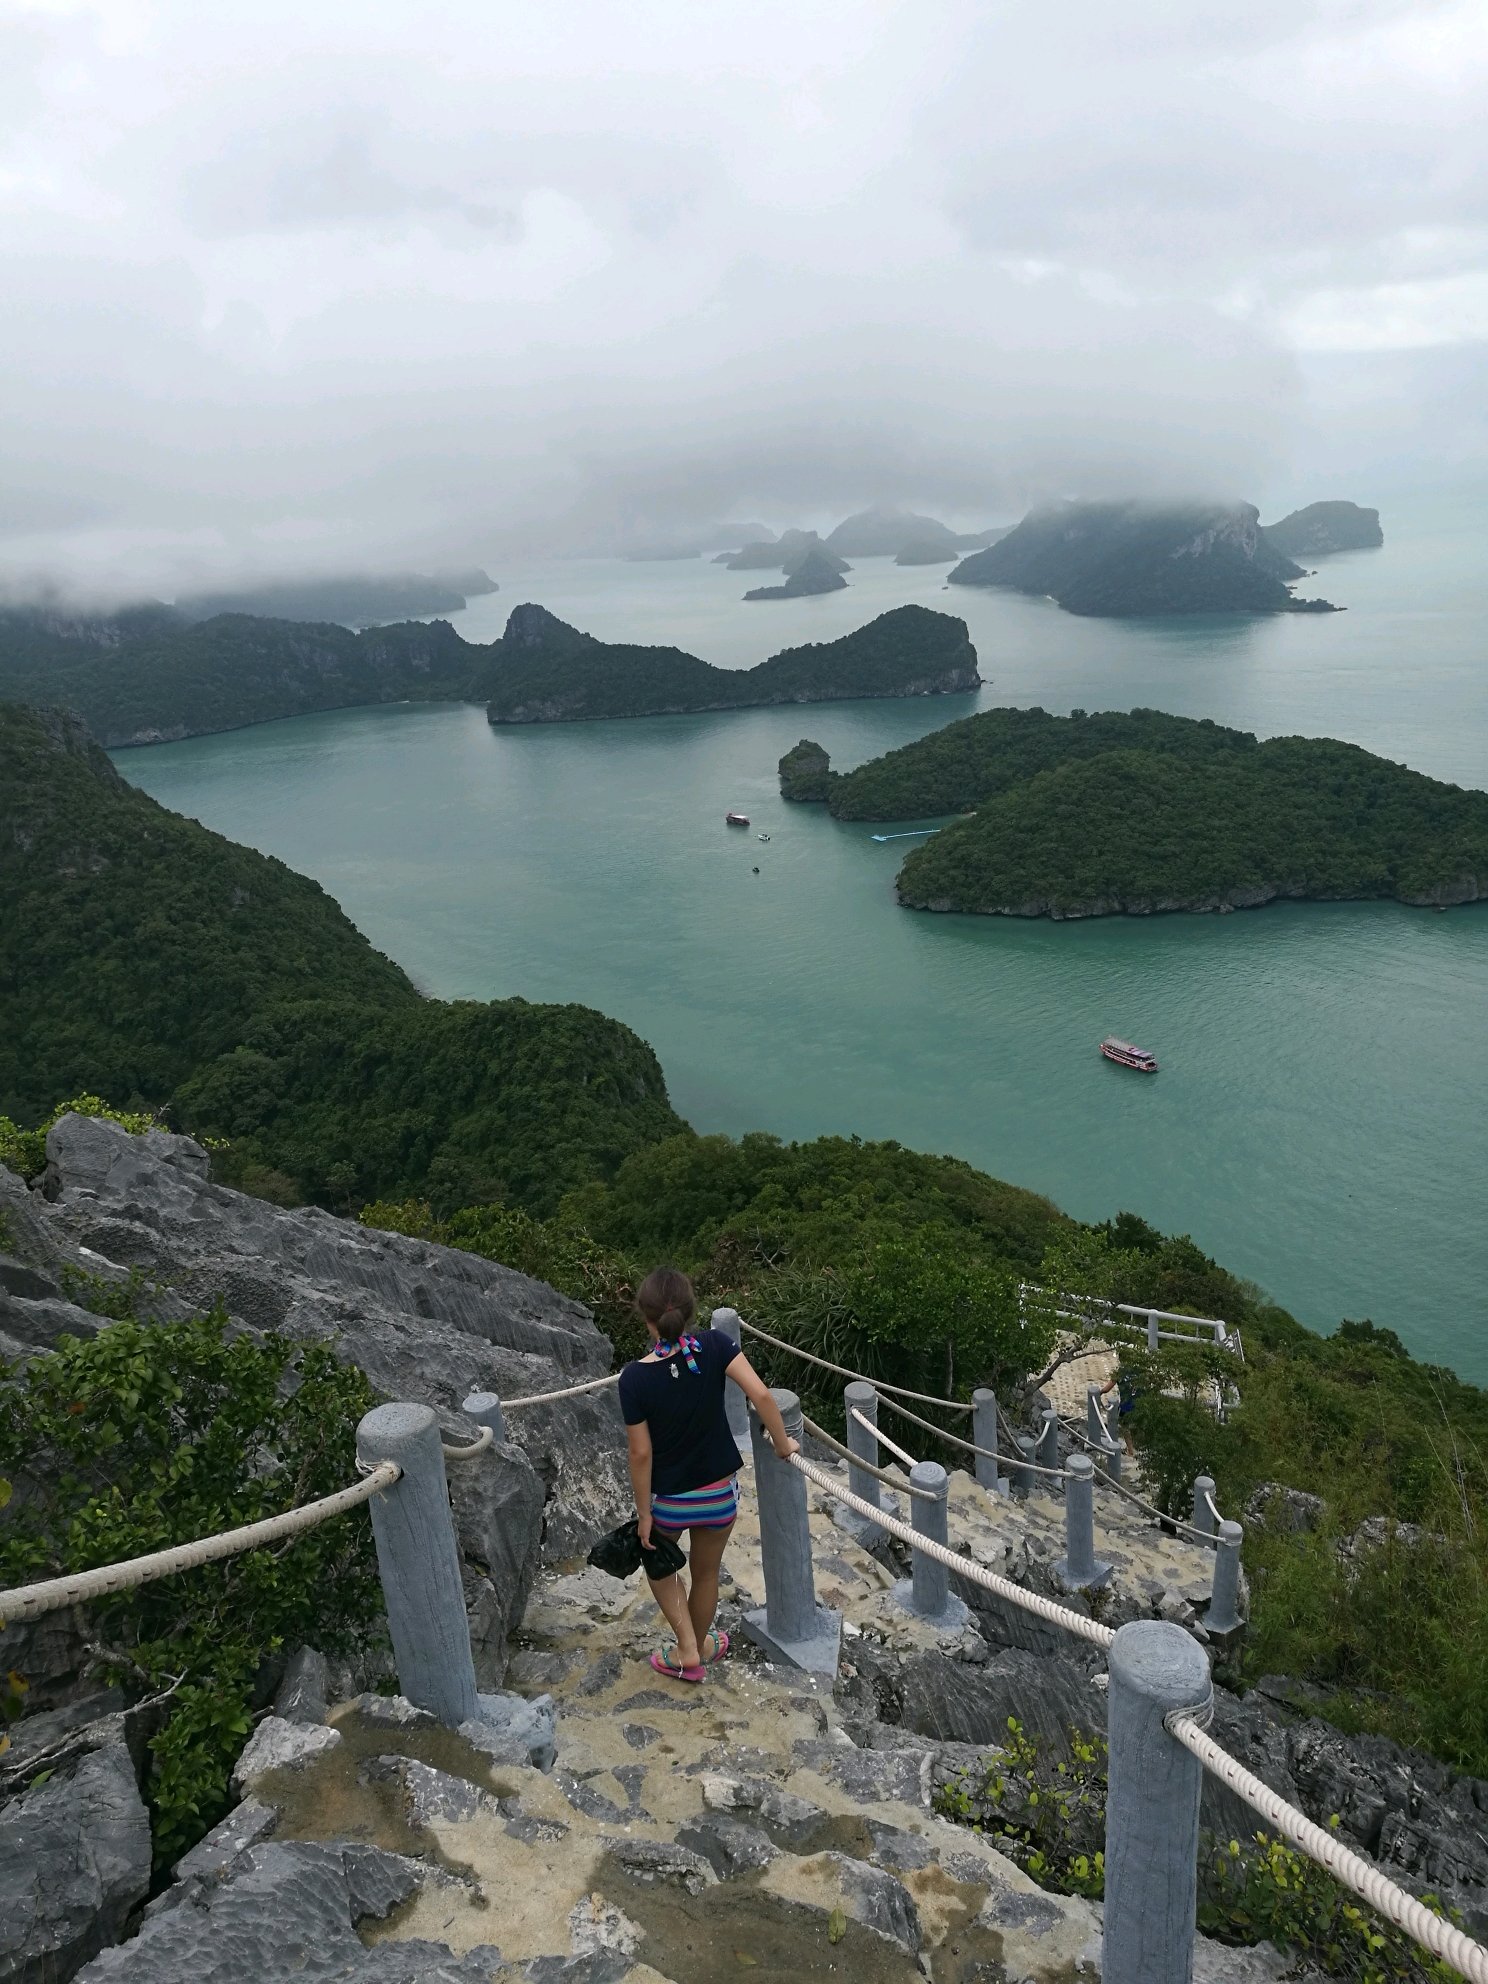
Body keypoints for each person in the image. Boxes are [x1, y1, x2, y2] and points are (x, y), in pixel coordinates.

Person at [618, 1265, 798, 1682]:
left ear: (646, 1318)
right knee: (706, 1573)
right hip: (719, 1496)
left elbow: (641, 1453)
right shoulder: (716, 1345)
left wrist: (644, 1514)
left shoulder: (633, 1379)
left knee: (661, 1566)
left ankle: (687, 1648)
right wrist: (783, 1444)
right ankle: (696, 1647)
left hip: (668, 1502)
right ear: (689, 1312)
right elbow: (761, 1394)